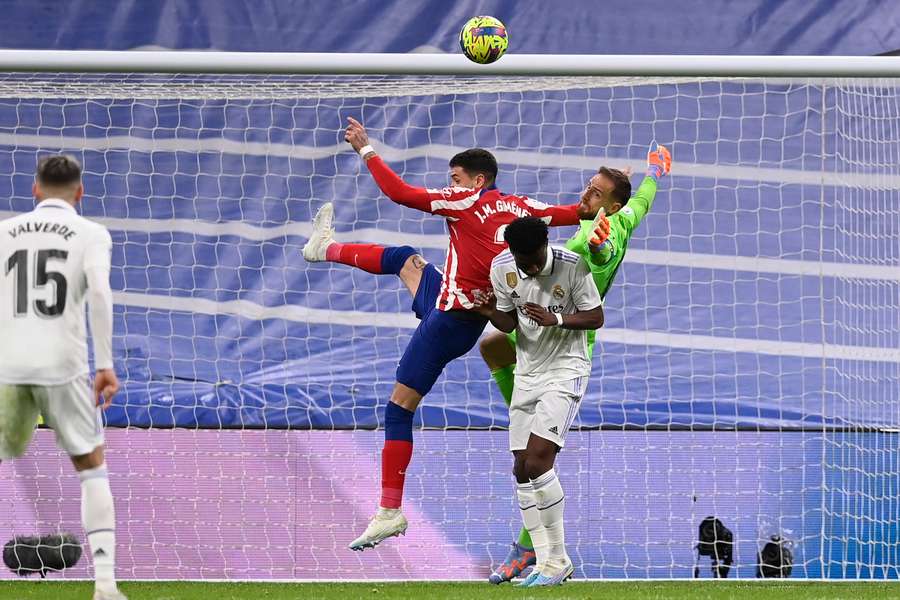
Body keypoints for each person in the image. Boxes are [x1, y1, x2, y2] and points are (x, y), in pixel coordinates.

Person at [302, 117, 593, 551]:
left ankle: (389, 511)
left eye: (454, 178)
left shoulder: (465, 201)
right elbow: (577, 213)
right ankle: (322, 248)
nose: (450, 185)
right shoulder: (521, 207)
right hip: (451, 302)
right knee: (405, 258)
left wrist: (365, 149)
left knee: (399, 409)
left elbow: (399, 193)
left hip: (450, 323)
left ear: (478, 180)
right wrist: (606, 203)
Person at [484, 145, 672, 584]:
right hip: (536, 335)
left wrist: (601, 245)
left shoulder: (587, 241)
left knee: (536, 459)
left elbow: (599, 252)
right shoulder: (623, 214)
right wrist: (653, 174)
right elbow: (641, 202)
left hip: (566, 336)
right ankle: (533, 546)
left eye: (594, 193)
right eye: (587, 188)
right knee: (493, 345)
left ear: (611, 205)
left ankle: (540, 553)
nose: (584, 196)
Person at [0, 155, 125, 600]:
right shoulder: (92, 234)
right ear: (80, 192)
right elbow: (100, 293)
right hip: (63, 365)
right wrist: (105, 364)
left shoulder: (4, 232)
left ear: (34, 190)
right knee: (92, 470)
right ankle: (106, 587)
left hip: (9, 365)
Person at [473, 216, 604, 587]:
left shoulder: (571, 265)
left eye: (533, 259)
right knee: (520, 468)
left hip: (566, 370)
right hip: (528, 372)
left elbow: (596, 316)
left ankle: (558, 559)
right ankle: (543, 562)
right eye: (521, 260)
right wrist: (487, 311)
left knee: (538, 460)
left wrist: (555, 318)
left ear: (545, 245)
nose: (529, 267)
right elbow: (509, 323)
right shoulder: (502, 268)